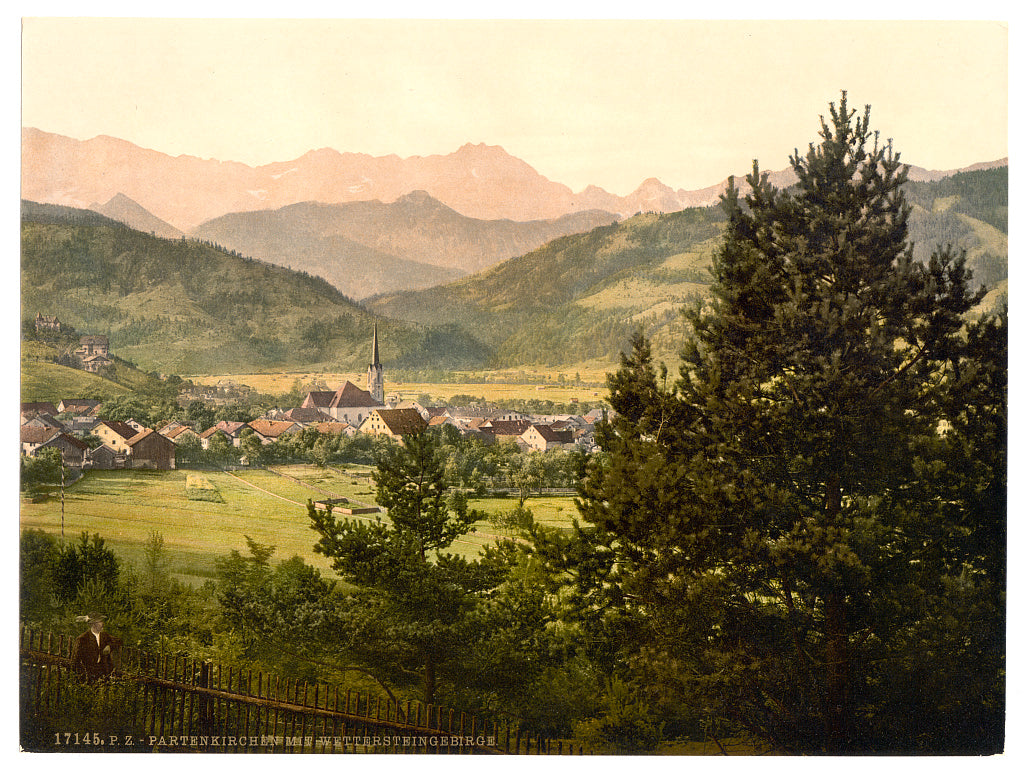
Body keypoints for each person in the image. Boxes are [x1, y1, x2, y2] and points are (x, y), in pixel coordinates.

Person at [71, 612, 121, 682]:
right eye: (100, 621)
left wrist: (109, 646)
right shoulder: (82, 639)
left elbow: (119, 641)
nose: (102, 623)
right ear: (93, 624)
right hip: (87, 674)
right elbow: (75, 661)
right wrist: (81, 676)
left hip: (103, 673)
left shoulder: (104, 636)